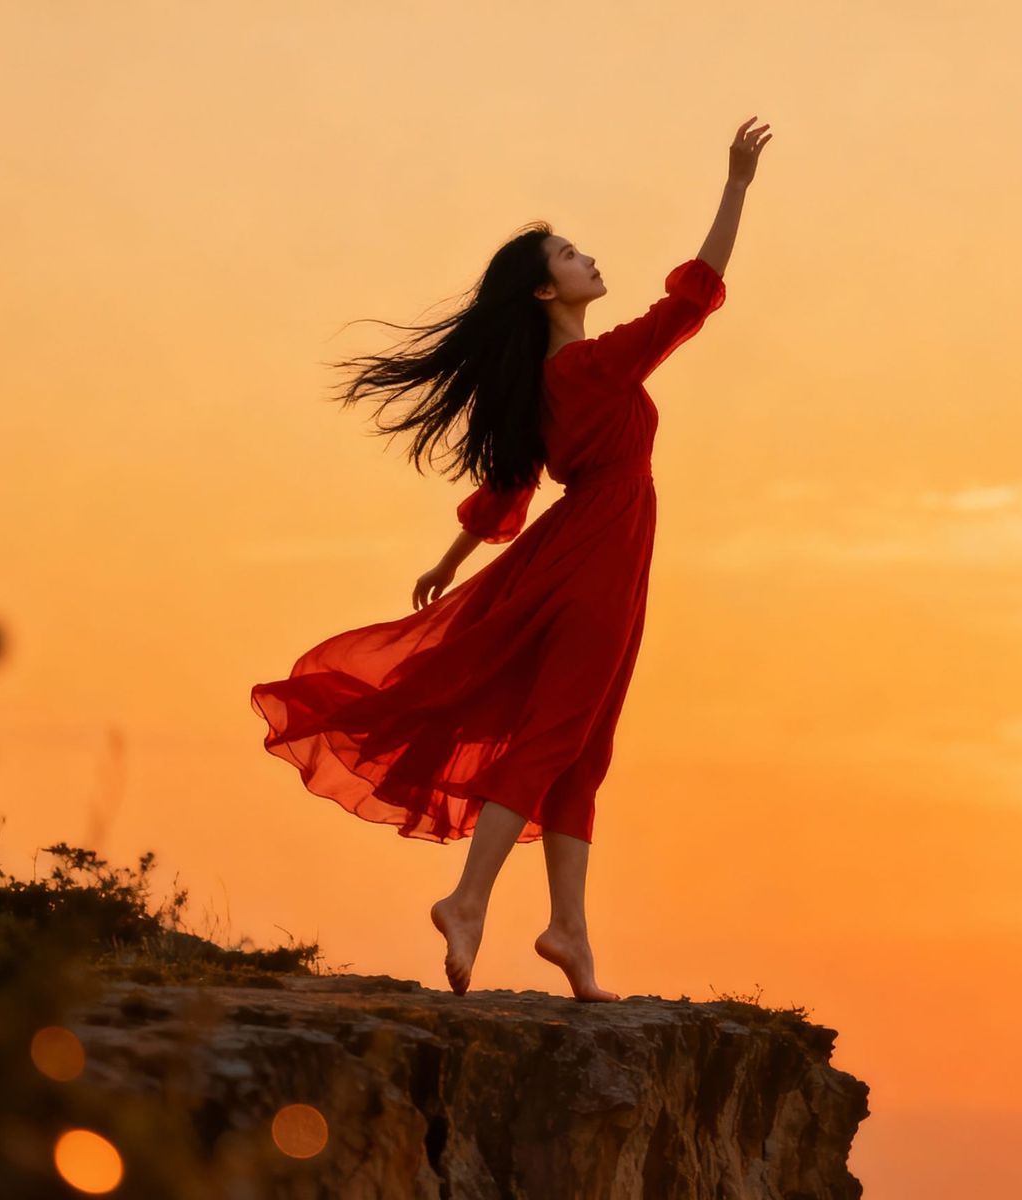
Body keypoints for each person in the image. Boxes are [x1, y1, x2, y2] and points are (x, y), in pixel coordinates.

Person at [249, 116, 773, 1001]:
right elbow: (694, 295)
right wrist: (736, 187)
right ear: (543, 292)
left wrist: (451, 558)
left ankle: (569, 930)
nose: (589, 259)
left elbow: (507, 489)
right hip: (599, 550)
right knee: (557, 736)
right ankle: (467, 899)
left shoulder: (551, 383)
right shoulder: (593, 369)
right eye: (570, 254)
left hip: (596, 548)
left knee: (584, 747)